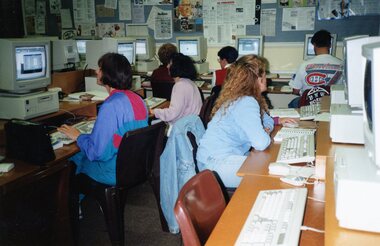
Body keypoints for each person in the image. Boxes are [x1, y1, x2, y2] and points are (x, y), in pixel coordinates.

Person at [58, 53, 148, 185]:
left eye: (99, 68)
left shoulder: (110, 106)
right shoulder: (137, 98)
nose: (96, 71)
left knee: (73, 158)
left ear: (108, 73)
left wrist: (78, 136)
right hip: (134, 165)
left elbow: (97, 153)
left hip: (114, 170)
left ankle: (75, 203)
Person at [288, 29, 343, 108]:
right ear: (330, 45)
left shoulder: (304, 65)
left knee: (292, 103)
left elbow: (295, 90)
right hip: (332, 105)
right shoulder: (341, 64)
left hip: (308, 104)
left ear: (314, 44)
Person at [151, 53, 203, 124]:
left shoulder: (180, 86)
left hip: (182, 129)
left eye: (169, 64)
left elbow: (172, 114)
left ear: (177, 67)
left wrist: (154, 111)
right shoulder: (189, 82)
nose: (167, 66)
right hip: (192, 125)